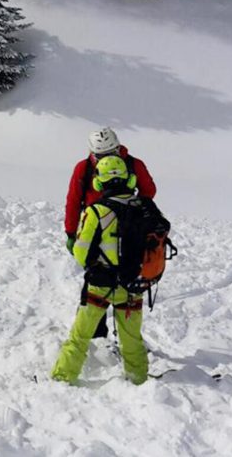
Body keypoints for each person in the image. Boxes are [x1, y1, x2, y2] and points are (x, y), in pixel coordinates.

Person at [51, 156, 149, 385]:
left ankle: (62, 377)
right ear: (129, 178)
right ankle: (139, 381)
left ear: (98, 183)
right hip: (133, 284)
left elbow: (81, 253)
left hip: (100, 285)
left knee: (80, 336)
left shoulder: (96, 212)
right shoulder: (145, 209)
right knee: (132, 339)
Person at [64, 127, 156, 339]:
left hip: (127, 230)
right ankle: (99, 334)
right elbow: (73, 200)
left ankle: (125, 337)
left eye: (110, 154)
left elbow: (148, 191)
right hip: (97, 231)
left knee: (123, 278)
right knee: (98, 280)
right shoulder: (84, 168)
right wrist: (70, 232)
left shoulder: (134, 164)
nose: (106, 159)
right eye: (101, 156)